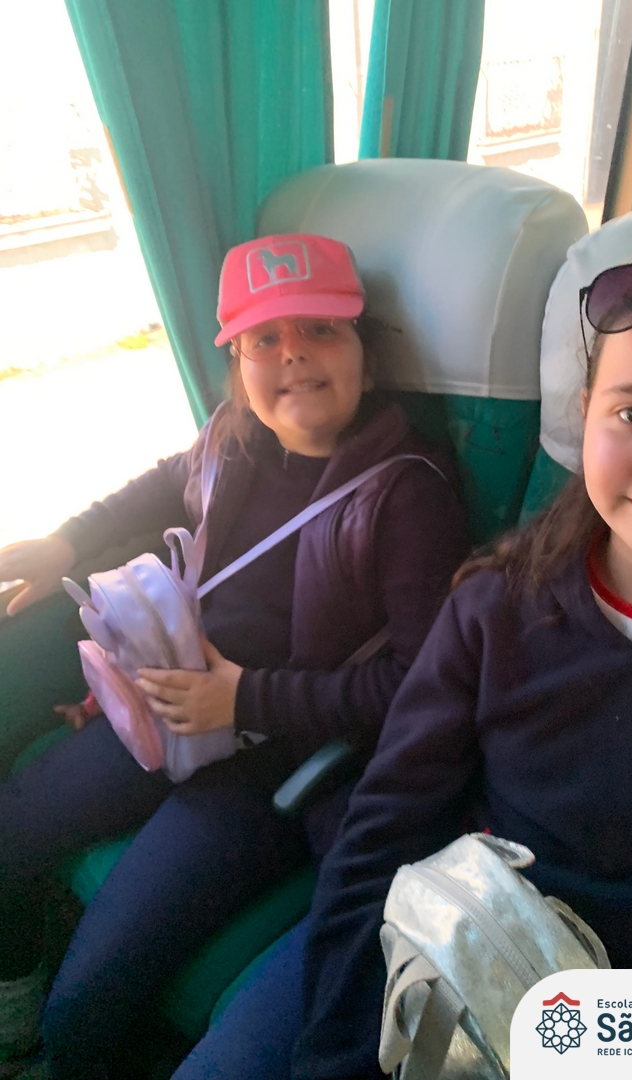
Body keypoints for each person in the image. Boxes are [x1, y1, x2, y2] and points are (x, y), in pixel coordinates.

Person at [172, 251, 632, 1080]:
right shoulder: (496, 609)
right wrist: (338, 1050)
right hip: (453, 952)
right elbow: (382, 833)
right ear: (585, 421)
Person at [0, 233, 468, 1080]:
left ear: (367, 356)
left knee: (87, 1000)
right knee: (15, 828)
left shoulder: (408, 494)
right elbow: (161, 482)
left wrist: (245, 700)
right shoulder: (232, 438)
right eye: (264, 339)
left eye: (322, 330)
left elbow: (417, 684)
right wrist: (66, 541)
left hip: (271, 760)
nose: (293, 353)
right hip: (168, 706)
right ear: (238, 365)